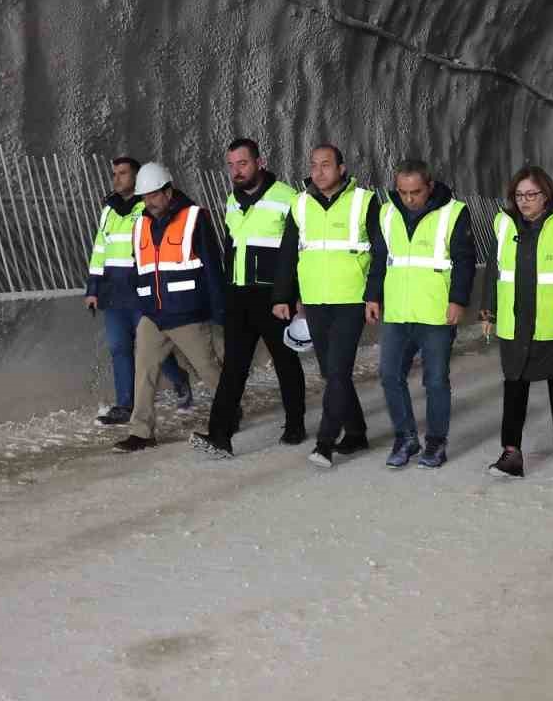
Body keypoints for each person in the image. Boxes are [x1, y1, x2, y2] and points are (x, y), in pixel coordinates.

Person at [190, 139, 309, 457]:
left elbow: (299, 252)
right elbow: (232, 246)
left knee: (285, 361)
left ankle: (295, 425)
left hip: (275, 296)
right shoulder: (232, 200)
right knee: (233, 367)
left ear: (260, 162)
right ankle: (219, 435)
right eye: (231, 165)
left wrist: (296, 296)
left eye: (242, 163)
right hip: (239, 296)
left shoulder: (288, 198)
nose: (236, 171)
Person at [272, 144, 381, 469]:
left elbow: (381, 252)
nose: (318, 172)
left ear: (342, 168)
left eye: (326, 165)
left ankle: (325, 442)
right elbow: (288, 253)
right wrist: (282, 296)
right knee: (331, 372)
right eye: (314, 165)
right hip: (315, 300)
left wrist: (373, 295)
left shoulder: (364, 201)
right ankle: (357, 432)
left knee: (337, 371)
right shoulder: (300, 203)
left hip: (351, 299)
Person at [483, 165, 553, 478]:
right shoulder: (504, 224)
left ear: (546, 195)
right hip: (515, 321)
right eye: (519, 195)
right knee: (514, 385)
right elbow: (493, 270)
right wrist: (488, 311)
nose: (524, 201)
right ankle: (511, 452)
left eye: (531, 195)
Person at [365, 159, 475, 469]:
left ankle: (436, 443)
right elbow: (380, 257)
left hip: (436, 312)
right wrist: (372, 296)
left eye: (415, 192)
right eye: (402, 192)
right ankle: (406, 438)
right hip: (398, 310)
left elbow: (465, 260)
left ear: (430, 186)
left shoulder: (454, 212)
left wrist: (458, 300)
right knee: (389, 375)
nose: (409, 198)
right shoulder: (387, 212)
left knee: (436, 380)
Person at [113, 162, 227, 452]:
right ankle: (141, 432)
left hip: (188, 314)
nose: (148, 202)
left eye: (153, 195)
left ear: (168, 191)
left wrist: (220, 311)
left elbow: (212, 268)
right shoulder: (140, 224)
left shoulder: (194, 218)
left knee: (208, 368)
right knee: (144, 371)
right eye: (144, 196)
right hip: (153, 314)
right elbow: (139, 266)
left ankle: (229, 411)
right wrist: (142, 302)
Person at [84, 156, 191, 427]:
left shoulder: (147, 208)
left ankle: (179, 378)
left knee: (151, 347)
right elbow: (100, 249)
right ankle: (125, 405)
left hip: (142, 292)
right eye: (114, 173)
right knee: (119, 348)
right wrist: (93, 288)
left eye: (123, 173)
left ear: (137, 177)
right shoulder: (109, 210)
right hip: (113, 293)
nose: (116, 178)